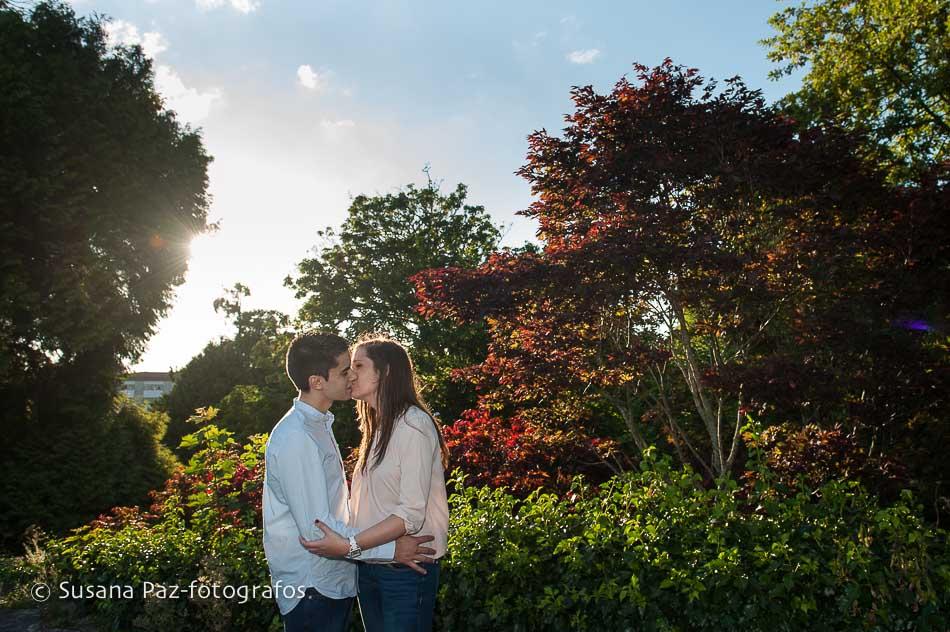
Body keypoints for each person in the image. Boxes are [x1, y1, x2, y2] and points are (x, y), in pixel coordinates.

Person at [263, 332, 436, 632]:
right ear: (317, 382)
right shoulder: (297, 437)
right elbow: (317, 533)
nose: (351, 377)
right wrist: (391, 551)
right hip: (311, 587)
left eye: (356, 368)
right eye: (345, 370)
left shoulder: (320, 425)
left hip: (335, 581)